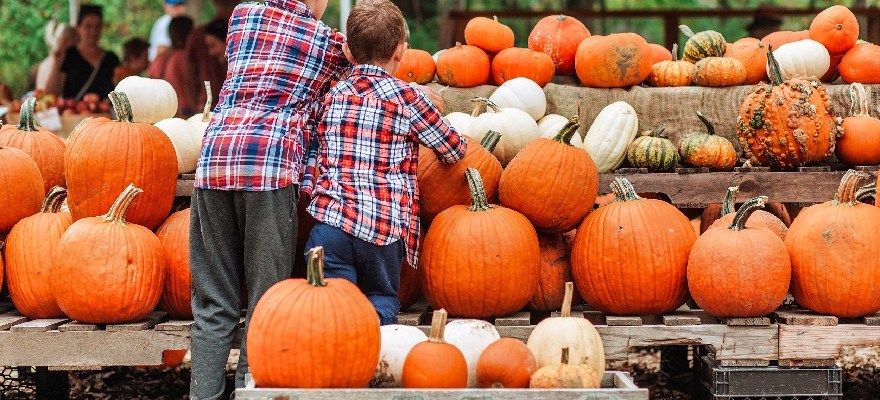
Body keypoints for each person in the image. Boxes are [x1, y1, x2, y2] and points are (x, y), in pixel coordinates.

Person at [188, 0, 350, 398]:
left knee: (213, 301)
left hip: (215, 162)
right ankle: (252, 392)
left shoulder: (242, 15)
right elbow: (359, 76)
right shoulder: (329, 43)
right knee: (266, 302)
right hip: (270, 167)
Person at [302, 0, 466, 325]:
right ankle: (376, 368)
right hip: (381, 232)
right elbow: (453, 148)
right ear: (400, 51)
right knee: (380, 302)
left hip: (330, 227)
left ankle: (340, 371)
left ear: (348, 52)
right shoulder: (408, 99)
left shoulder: (332, 96)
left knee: (332, 313)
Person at [44, 5, 120, 100]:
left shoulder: (111, 59)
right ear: (78, 28)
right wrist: (57, 64)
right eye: (88, 26)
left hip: (104, 114)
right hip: (74, 113)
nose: (93, 31)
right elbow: (50, 94)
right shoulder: (69, 55)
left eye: (97, 26)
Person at [185, 0, 239, 111]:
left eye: (213, 46)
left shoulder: (198, 34)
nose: (211, 53)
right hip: (212, 106)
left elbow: (190, 76)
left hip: (208, 107)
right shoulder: (251, 32)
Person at [148, 16, 194, 116]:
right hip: (185, 112)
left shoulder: (159, 59)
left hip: (162, 112)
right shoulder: (185, 58)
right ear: (189, 33)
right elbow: (191, 84)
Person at [36, 21, 78, 94]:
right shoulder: (60, 64)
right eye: (76, 41)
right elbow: (49, 94)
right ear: (63, 41)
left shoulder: (46, 62)